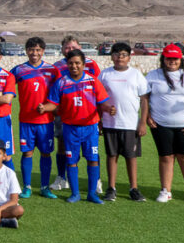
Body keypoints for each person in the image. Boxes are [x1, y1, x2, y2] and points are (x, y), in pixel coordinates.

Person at [39, 49, 113, 204]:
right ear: (67, 64)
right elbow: (53, 103)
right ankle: (75, 194)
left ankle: (92, 193)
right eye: (71, 63)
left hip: (90, 128)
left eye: (77, 63)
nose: (74, 66)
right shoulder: (61, 82)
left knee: (92, 159)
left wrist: (108, 108)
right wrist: (45, 108)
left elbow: (102, 101)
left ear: (83, 64)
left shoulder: (92, 81)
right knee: (71, 161)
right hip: (70, 128)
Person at [146, 45, 184, 204]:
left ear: (180, 59)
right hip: (160, 124)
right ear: (163, 58)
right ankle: (166, 191)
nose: (172, 61)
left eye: (175, 58)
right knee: (166, 157)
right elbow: (144, 98)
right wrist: (147, 116)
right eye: (168, 58)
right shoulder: (153, 75)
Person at [98, 42, 150, 202]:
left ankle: (133, 188)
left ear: (129, 57)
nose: (120, 57)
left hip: (130, 124)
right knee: (111, 155)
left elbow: (144, 100)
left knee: (130, 156)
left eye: (123, 55)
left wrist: (142, 122)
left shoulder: (136, 75)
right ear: (111, 56)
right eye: (116, 54)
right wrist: (100, 119)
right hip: (110, 123)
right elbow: (98, 99)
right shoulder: (104, 75)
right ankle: (111, 188)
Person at [51, 35, 102, 191]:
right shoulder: (57, 66)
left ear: (80, 48)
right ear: (62, 50)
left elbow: (98, 86)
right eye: (67, 47)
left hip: (88, 113)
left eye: (73, 47)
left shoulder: (91, 65)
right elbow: (54, 89)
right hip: (65, 112)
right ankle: (61, 177)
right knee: (62, 144)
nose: (70, 50)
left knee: (92, 148)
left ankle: (97, 180)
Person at [12, 36, 60, 199]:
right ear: (26, 51)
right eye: (31, 50)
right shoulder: (18, 70)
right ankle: (27, 187)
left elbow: (58, 93)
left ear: (43, 51)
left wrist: (49, 107)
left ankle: (45, 187)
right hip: (26, 121)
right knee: (27, 153)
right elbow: (7, 86)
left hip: (46, 121)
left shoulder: (52, 70)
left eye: (38, 50)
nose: (34, 53)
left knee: (46, 153)